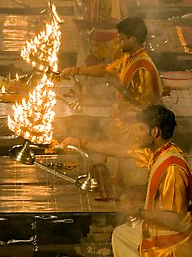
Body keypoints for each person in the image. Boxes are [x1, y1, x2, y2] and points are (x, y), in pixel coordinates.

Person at [60, 17, 164, 194]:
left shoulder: (143, 66)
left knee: (133, 181)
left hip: (138, 128)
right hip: (122, 122)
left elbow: (146, 105)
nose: (119, 42)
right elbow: (105, 69)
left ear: (134, 39)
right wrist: (75, 70)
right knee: (114, 169)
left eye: (122, 38)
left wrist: (121, 89)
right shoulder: (128, 59)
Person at [111, 104, 192, 257]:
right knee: (121, 234)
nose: (136, 133)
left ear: (155, 132)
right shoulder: (159, 152)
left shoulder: (172, 168)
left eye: (140, 128)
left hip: (174, 246)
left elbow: (175, 220)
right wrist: (82, 143)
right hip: (158, 233)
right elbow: (119, 150)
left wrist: (137, 210)